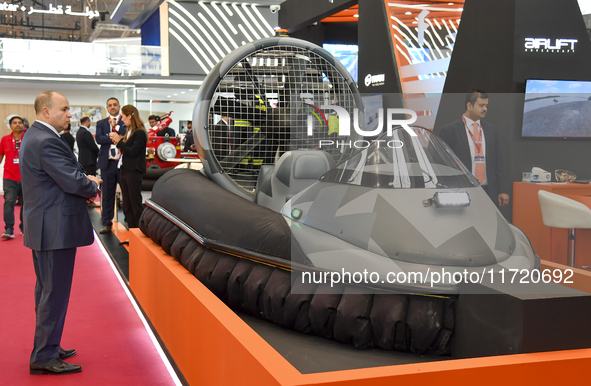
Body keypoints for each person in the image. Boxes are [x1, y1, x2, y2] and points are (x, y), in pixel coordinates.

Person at [20, 91, 101, 375]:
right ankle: (44, 355)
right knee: (53, 292)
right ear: (45, 111)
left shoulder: (36, 136)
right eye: (65, 109)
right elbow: (72, 181)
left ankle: (49, 345)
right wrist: (92, 184)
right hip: (54, 227)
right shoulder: (46, 141)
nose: (70, 114)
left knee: (46, 290)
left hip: (44, 224)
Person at [437, 90, 510, 207]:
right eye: (481, 105)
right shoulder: (450, 130)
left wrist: (502, 190)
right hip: (461, 191)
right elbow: (441, 163)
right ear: (469, 105)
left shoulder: (491, 130)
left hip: (488, 191)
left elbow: (498, 162)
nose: (485, 109)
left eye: (486, 105)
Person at [109, 105, 147, 229]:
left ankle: (139, 232)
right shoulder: (129, 131)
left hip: (134, 170)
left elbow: (133, 151)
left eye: (123, 116)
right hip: (125, 169)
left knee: (135, 203)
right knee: (127, 203)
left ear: (129, 116)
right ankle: (131, 230)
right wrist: (120, 141)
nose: (122, 118)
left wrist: (119, 142)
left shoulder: (140, 132)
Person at [96, 97, 127, 234]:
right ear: (107, 108)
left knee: (126, 194)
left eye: (115, 105)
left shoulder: (125, 122)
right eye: (110, 105)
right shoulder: (101, 123)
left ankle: (129, 221)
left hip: (122, 164)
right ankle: (106, 223)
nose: (112, 107)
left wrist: (113, 134)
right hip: (107, 164)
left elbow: (124, 135)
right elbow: (99, 138)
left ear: (119, 106)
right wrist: (114, 137)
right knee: (107, 195)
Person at [0, 115, 25, 239]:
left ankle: (24, 227)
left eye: (20, 122)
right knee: (9, 202)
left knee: (26, 203)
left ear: (23, 125)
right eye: (14, 123)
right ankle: (9, 229)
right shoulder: (4, 139)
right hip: (9, 177)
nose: (18, 125)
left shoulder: (28, 139)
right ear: (10, 126)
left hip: (26, 178)